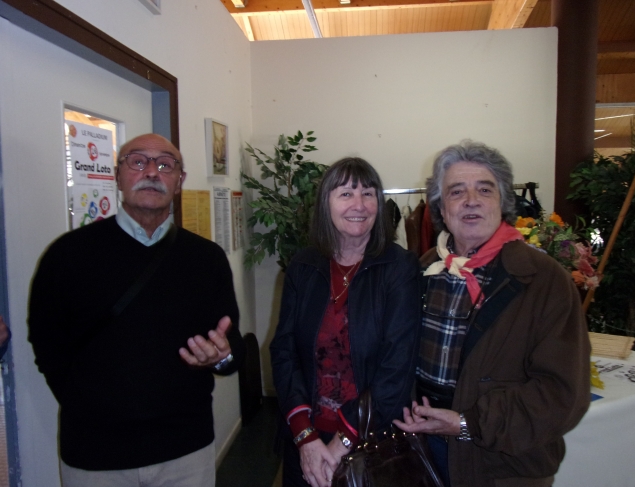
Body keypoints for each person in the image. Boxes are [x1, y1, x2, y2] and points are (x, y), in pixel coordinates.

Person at [28, 133, 244, 487]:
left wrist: (221, 357)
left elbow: (230, 344)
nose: (152, 172)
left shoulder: (206, 259)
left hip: (185, 450)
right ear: (118, 175)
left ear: (179, 181)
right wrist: (87, 405)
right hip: (95, 455)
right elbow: (47, 344)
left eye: (165, 164)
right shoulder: (68, 255)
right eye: (138, 161)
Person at [393, 140, 591, 487]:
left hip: (501, 463)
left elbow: (562, 394)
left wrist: (467, 423)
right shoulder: (425, 270)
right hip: (423, 451)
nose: (471, 200)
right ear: (441, 207)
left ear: (502, 202)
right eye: (457, 191)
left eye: (484, 189)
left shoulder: (543, 280)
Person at [270, 157, 421, 487]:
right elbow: (284, 352)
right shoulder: (303, 265)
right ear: (325, 203)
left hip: (373, 443)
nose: (359, 205)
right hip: (306, 438)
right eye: (346, 193)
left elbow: (398, 368)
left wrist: (342, 444)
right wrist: (305, 438)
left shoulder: (399, 269)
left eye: (368, 193)